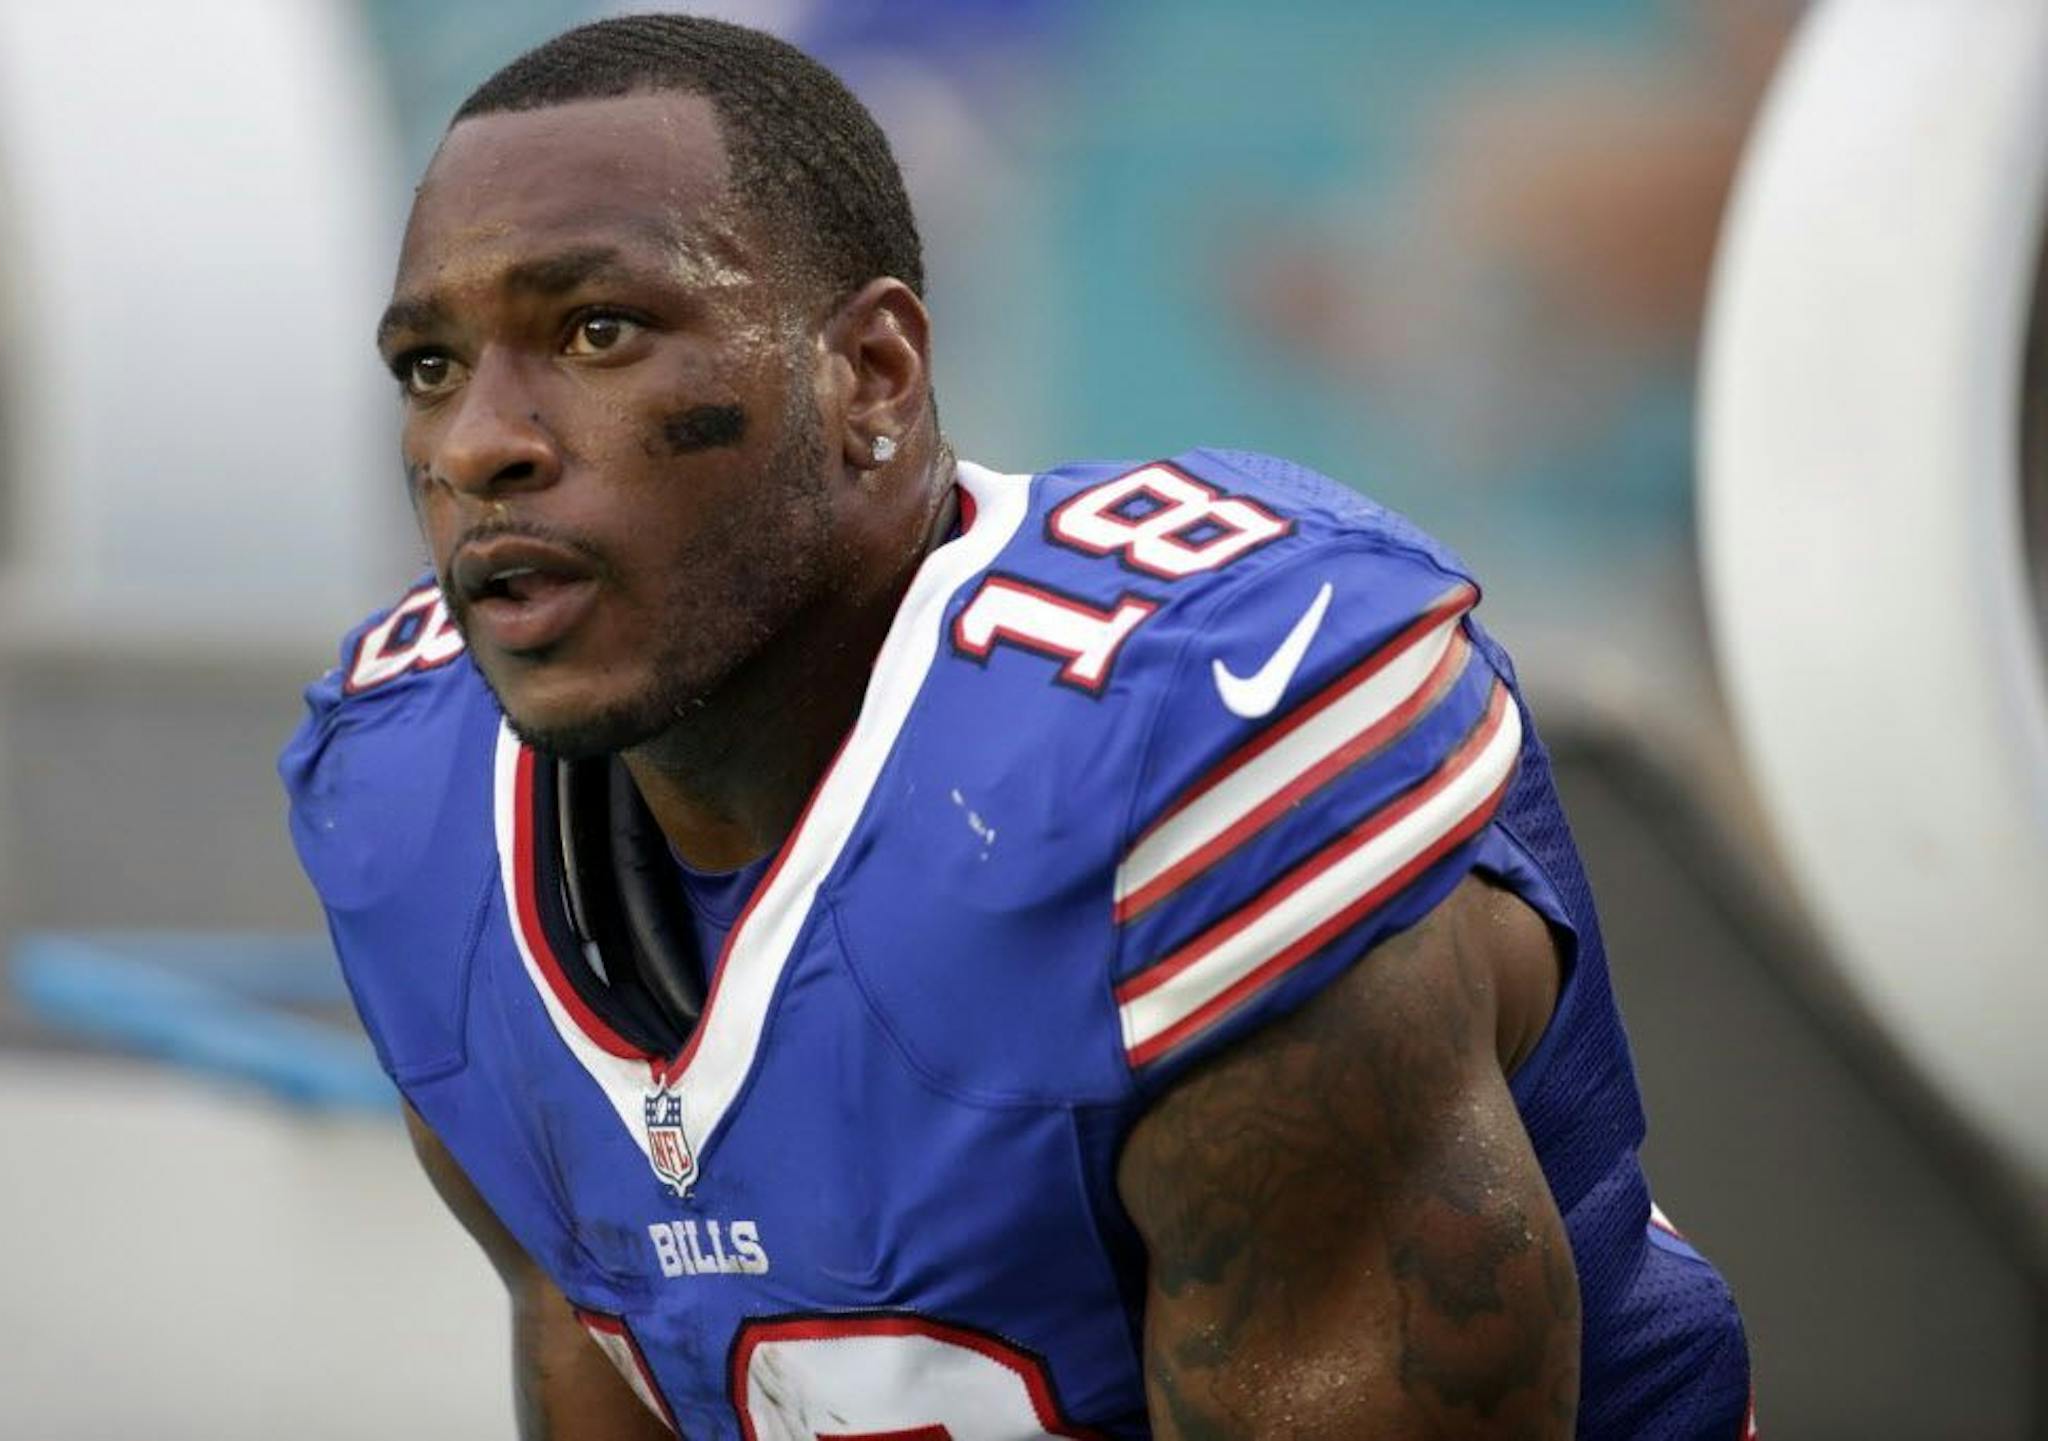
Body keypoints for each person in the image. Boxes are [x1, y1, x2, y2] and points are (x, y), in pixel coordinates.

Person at [281, 14, 1751, 1437]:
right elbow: (606, 1345)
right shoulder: (412, 800)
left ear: (871, 376)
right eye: (430, 367)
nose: (479, 441)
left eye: (598, 331)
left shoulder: (1185, 743)